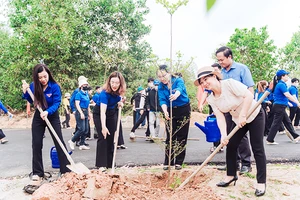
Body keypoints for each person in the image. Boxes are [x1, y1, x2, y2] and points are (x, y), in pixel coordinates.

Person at [194, 66, 267, 197]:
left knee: (257, 148)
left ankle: (261, 182)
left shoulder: (229, 84)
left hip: (254, 113)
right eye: (202, 82)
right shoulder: (211, 99)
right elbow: (220, 117)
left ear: (214, 76)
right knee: (231, 145)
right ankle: (230, 175)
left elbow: (248, 95)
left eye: (206, 79)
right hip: (237, 118)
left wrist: (244, 115)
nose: (205, 83)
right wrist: (223, 135)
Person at [22, 64, 70, 194]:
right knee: (36, 144)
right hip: (39, 115)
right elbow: (29, 99)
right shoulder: (34, 85)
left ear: (48, 74)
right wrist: (25, 91)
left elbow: (56, 103)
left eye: (45, 76)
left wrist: (48, 112)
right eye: (40, 77)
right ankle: (38, 173)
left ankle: (65, 170)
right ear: (36, 78)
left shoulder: (54, 87)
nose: (43, 79)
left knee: (59, 142)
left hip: (51, 115)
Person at [216, 46, 253, 174]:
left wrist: (246, 110)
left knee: (241, 136)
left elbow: (250, 90)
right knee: (229, 136)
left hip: (241, 109)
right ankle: (233, 163)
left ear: (229, 57)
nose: (220, 62)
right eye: (218, 60)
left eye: (222, 60)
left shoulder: (242, 69)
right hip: (228, 109)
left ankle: (246, 164)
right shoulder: (222, 73)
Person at [157, 65, 191, 170]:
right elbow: (162, 99)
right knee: (170, 136)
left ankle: (179, 162)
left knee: (181, 136)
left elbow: (180, 89)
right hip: (170, 110)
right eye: (159, 76)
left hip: (183, 109)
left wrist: (176, 95)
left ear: (169, 73)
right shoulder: (160, 86)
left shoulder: (178, 80)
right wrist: (165, 110)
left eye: (164, 75)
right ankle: (168, 161)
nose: (162, 78)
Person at [95, 71, 126, 171]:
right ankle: (101, 164)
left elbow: (119, 98)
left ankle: (110, 163)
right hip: (100, 113)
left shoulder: (119, 92)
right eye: (112, 82)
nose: (114, 85)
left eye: (117, 83)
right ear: (109, 82)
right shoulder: (104, 93)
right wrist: (103, 126)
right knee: (103, 136)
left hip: (112, 113)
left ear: (120, 83)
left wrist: (120, 103)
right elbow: (102, 112)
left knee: (111, 137)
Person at [266, 70, 300, 144]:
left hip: (280, 106)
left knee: (287, 122)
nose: (288, 76)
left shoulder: (280, 84)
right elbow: (287, 95)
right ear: (282, 76)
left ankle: (296, 136)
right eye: (286, 75)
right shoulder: (281, 85)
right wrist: (297, 103)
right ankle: (270, 139)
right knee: (276, 123)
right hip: (279, 106)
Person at [68, 78, 91, 150]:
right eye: (84, 85)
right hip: (80, 111)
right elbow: (77, 104)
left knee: (86, 129)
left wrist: (89, 114)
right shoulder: (78, 94)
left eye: (86, 85)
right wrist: (80, 113)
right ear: (81, 86)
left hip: (86, 111)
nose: (86, 86)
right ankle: (72, 140)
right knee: (81, 129)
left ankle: (82, 143)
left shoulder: (86, 94)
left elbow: (88, 104)